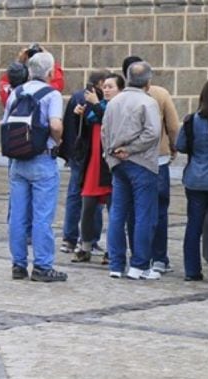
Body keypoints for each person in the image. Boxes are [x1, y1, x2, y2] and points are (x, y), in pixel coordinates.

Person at [5, 52, 67, 282]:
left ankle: (18, 265)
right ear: (50, 73)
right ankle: (42, 265)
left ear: (29, 71)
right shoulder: (52, 94)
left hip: (18, 160)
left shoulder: (16, 93)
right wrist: (57, 140)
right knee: (42, 216)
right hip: (42, 159)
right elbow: (55, 124)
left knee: (18, 215)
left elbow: (5, 124)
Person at [102, 61, 162, 280]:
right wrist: (131, 149)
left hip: (118, 163)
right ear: (148, 80)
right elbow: (153, 133)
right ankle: (139, 265)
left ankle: (116, 264)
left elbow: (104, 132)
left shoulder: (114, 102)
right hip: (142, 162)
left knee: (117, 213)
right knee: (143, 214)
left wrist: (111, 155)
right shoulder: (148, 102)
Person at [121, 56, 180, 274]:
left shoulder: (120, 97)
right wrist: (174, 147)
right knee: (159, 211)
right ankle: (158, 258)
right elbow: (173, 126)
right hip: (158, 158)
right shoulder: (161, 94)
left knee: (133, 211)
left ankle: (137, 254)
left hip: (129, 158)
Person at [176, 78, 208, 282]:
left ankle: (192, 270)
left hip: (194, 179)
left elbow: (180, 145)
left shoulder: (191, 120)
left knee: (193, 225)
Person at [70, 73, 124, 264]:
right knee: (87, 208)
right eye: (105, 86)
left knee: (113, 209)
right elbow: (87, 126)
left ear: (120, 89)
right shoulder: (96, 107)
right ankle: (85, 246)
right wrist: (79, 115)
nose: (106, 90)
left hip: (108, 166)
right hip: (92, 163)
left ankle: (112, 250)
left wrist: (93, 103)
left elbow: (107, 117)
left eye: (111, 87)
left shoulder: (118, 107)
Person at [59, 70, 110, 257]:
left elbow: (68, 125)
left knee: (75, 196)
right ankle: (90, 240)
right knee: (91, 199)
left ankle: (69, 239)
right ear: (100, 83)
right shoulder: (96, 100)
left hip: (78, 154)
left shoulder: (77, 97)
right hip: (89, 155)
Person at [0, 43, 64, 107]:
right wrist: (48, 60)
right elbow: (58, 82)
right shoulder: (48, 93)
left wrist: (19, 63)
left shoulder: (13, 94)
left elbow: (5, 86)